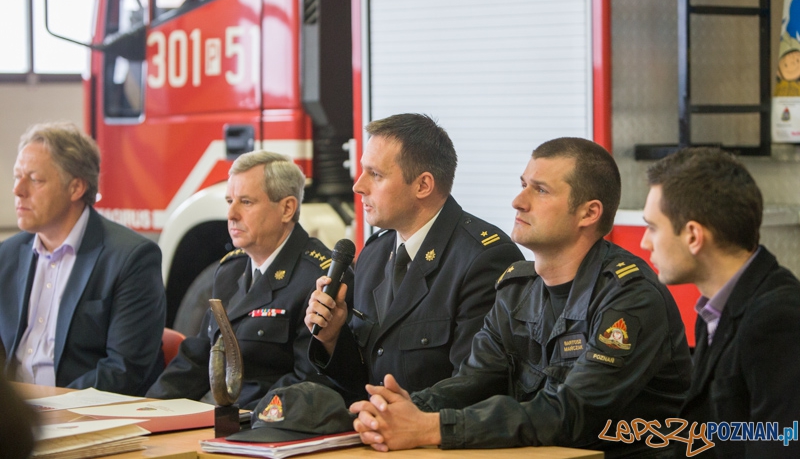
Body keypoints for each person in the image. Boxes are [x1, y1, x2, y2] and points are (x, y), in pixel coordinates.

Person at [350, 137, 692, 458]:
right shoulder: (517, 289)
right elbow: (473, 383)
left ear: (589, 213)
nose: (518, 201)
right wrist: (401, 409)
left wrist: (432, 427)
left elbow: (570, 414)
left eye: (540, 190)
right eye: (523, 184)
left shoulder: (629, 297)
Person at [305, 114, 523, 403]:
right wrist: (332, 339)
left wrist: (403, 418)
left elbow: (476, 386)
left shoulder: (483, 258)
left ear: (423, 186)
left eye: (376, 175)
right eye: (362, 172)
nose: (358, 186)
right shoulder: (373, 254)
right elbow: (363, 383)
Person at [148, 151, 352, 409]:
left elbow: (309, 381)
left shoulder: (319, 278)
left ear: (287, 208)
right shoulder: (229, 271)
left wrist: (232, 416)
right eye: (229, 201)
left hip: (271, 424)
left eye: (246, 202)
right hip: (225, 417)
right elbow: (198, 359)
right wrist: (147, 409)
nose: (231, 214)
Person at [642, 147, 800, 458]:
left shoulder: (778, 317)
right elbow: (702, 438)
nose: (645, 242)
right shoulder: (713, 312)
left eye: (652, 227)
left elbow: (779, 448)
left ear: (693, 236)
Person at [0, 122, 165, 395]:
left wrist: (45, 409)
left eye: (35, 179)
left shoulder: (131, 258)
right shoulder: (7, 255)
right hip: (15, 421)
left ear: (76, 187)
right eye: (17, 176)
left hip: (84, 417)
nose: (18, 190)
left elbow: (124, 370)